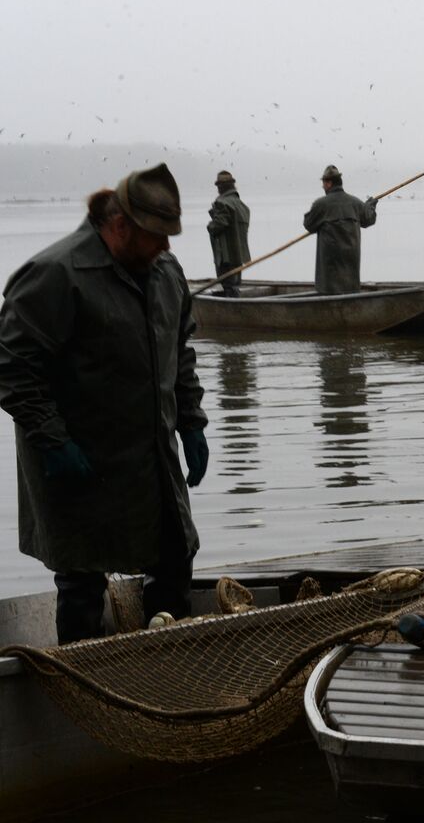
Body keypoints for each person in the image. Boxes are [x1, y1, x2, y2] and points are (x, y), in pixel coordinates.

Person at [0, 164, 208, 644]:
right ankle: (85, 681)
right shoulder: (54, 275)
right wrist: (53, 442)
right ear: (120, 227)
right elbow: (13, 365)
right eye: (157, 236)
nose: (167, 247)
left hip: (150, 455)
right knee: (81, 580)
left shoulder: (165, 271)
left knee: (175, 558)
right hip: (79, 459)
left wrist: (192, 421)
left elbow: (181, 351)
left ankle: (164, 664)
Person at [303, 165, 377, 295]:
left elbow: (309, 225)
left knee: (329, 293)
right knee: (350, 291)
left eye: (323, 183)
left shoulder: (321, 205)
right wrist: (370, 206)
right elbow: (369, 219)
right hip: (351, 278)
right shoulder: (356, 203)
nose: (322, 186)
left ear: (329, 183)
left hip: (328, 282)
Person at [207, 169, 250, 297]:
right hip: (239, 256)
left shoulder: (222, 203)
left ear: (220, 187)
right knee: (235, 285)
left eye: (218, 186)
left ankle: (231, 310)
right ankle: (236, 307)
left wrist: (210, 226)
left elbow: (218, 225)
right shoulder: (241, 205)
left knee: (228, 287)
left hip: (225, 258)